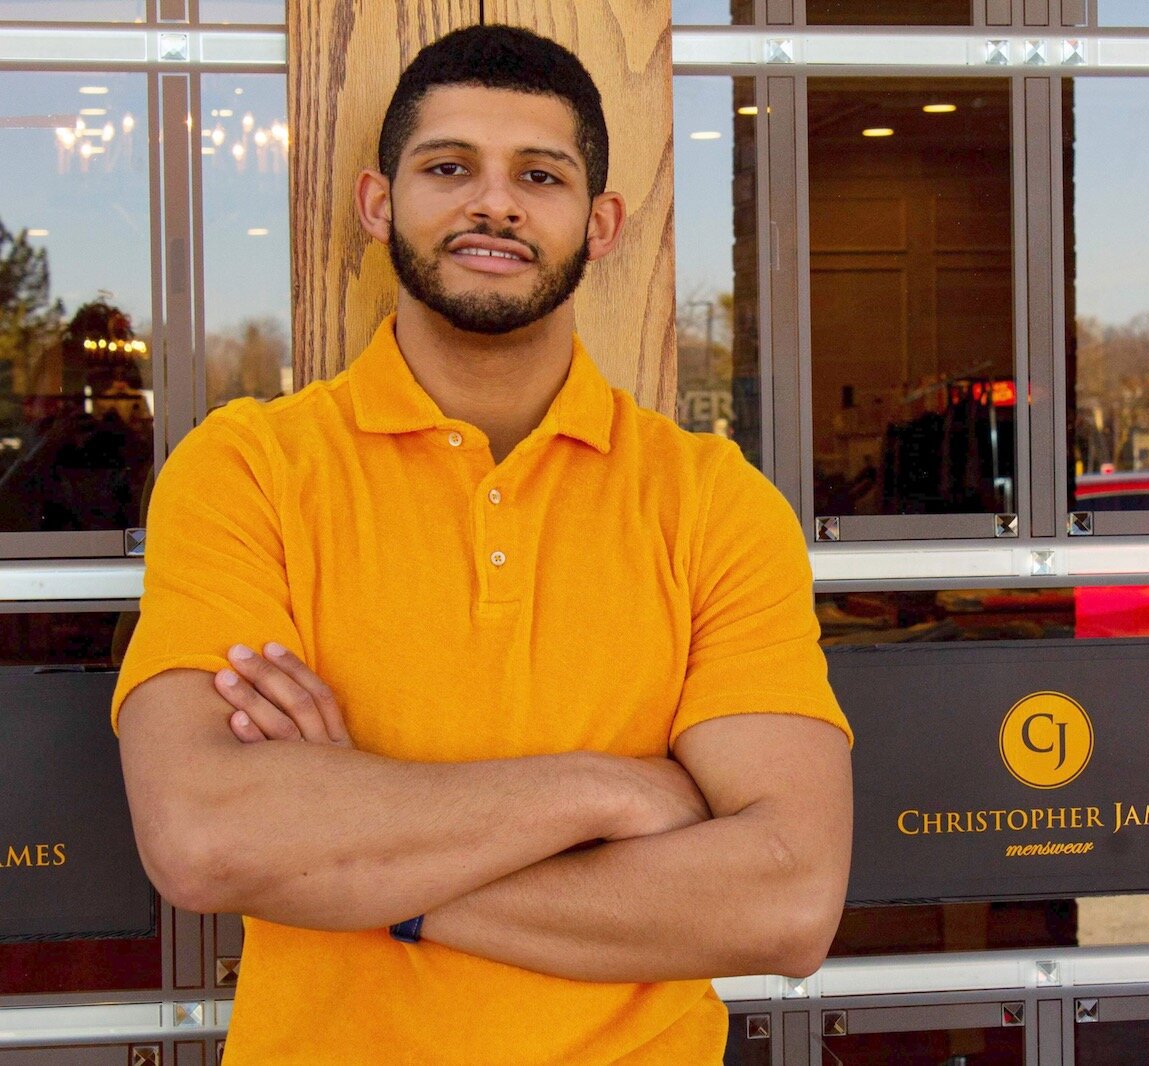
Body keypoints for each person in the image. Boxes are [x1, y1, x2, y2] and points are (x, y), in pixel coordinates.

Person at [112, 25, 853, 1065]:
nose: (493, 203)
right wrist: (606, 790)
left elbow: (786, 897)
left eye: (537, 175)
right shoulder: (249, 469)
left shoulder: (710, 502)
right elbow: (204, 836)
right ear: (378, 204)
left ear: (599, 225)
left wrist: (364, 857)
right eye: (449, 166)